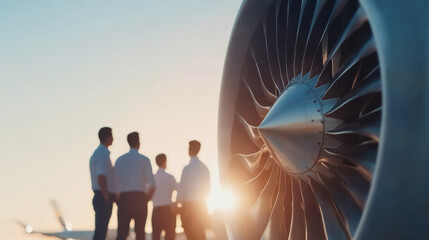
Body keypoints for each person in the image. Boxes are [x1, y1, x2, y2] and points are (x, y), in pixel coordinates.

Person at [115, 132, 155, 240]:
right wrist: (146, 200)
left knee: (122, 233)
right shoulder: (144, 160)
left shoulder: (120, 160)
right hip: (140, 198)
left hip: (124, 199)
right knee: (140, 233)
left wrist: (118, 200)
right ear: (139, 142)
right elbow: (152, 185)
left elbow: (115, 183)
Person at [177, 140, 210, 240]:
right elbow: (208, 189)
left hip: (188, 207)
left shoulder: (187, 168)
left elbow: (182, 188)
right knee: (200, 234)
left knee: (190, 235)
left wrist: (177, 203)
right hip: (200, 206)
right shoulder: (204, 168)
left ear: (190, 150)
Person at [89, 127, 116, 240]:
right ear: (108, 137)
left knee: (100, 230)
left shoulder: (97, 153)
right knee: (101, 232)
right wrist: (106, 195)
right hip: (102, 195)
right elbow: (101, 176)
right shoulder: (103, 154)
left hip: (99, 195)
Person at [151, 154, 178, 240]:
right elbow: (179, 190)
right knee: (170, 236)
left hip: (156, 210)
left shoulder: (152, 178)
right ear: (164, 162)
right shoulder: (170, 177)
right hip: (168, 211)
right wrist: (175, 203)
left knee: (156, 236)